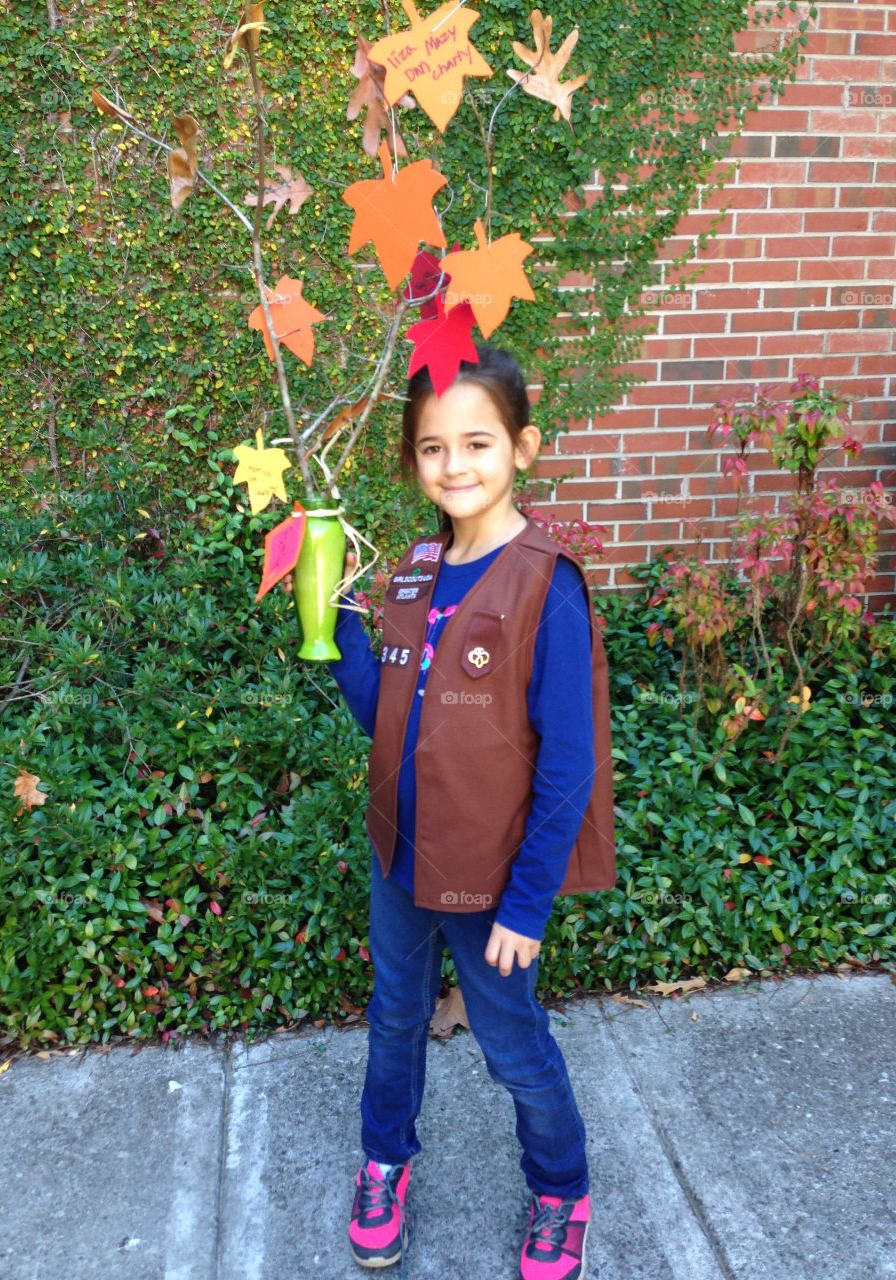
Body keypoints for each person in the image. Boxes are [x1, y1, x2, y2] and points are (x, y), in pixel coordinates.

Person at [281, 345, 615, 1280]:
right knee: (394, 1017)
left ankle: (561, 1189)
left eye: (477, 442)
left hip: (493, 875)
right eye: (433, 448)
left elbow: (570, 764)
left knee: (511, 1041)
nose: (455, 465)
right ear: (412, 461)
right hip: (403, 856)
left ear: (523, 447)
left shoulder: (546, 581)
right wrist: (332, 621)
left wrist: (527, 902)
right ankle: (384, 1162)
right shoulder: (416, 571)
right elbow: (384, 716)